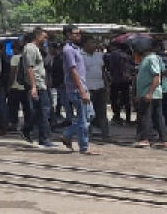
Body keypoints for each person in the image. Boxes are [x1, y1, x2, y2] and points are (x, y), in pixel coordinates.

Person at [59, 25, 95, 155]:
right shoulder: (68, 50)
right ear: (68, 35)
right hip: (76, 89)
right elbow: (73, 70)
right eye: (76, 33)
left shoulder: (76, 49)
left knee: (89, 115)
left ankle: (67, 134)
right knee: (84, 119)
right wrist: (82, 90)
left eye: (79, 33)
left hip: (81, 87)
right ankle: (84, 147)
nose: (79, 35)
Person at [21, 27, 55, 149]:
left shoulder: (38, 49)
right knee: (43, 110)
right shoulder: (30, 48)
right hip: (36, 84)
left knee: (40, 111)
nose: (46, 40)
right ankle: (43, 137)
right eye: (44, 37)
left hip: (41, 84)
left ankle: (31, 131)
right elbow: (30, 68)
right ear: (37, 36)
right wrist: (34, 86)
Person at [134, 40, 167, 148]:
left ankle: (146, 139)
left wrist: (149, 93)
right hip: (150, 93)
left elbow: (156, 76)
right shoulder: (146, 59)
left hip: (150, 93)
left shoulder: (151, 59)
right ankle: (164, 140)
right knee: (158, 117)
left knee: (146, 117)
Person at [83, 37, 110, 140]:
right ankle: (87, 135)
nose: (94, 45)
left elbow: (103, 71)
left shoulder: (99, 56)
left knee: (102, 113)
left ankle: (106, 135)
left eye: (95, 43)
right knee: (88, 114)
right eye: (91, 43)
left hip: (100, 87)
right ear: (85, 44)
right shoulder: (80, 56)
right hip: (88, 88)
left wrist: (106, 85)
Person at [105, 43, 133, 125]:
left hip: (115, 80)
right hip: (125, 80)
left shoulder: (111, 55)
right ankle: (128, 119)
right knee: (126, 99)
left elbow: (109, 67)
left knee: (114, 99)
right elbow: (131, 68)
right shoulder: (128, 56)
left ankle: (117, 116)